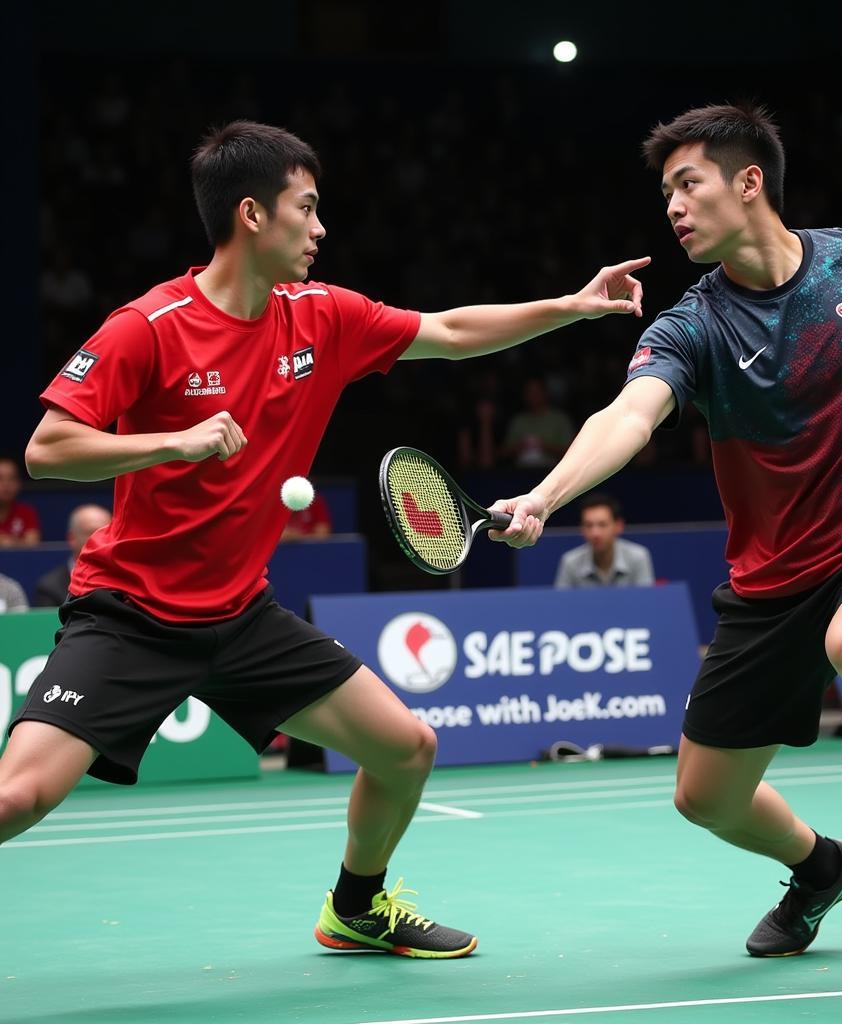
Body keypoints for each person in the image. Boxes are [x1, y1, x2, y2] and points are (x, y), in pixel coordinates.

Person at [4, 120, 649, 959]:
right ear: (251, 215)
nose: (319, 230)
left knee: (406, 748)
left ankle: (356, 907)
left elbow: (449, 332)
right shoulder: (150, 326)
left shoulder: (323, 317)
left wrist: (569, 307)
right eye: (305, 210)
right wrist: (174, 441)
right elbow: (48, 450)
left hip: (240, 617)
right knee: (19, 798)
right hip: (129, 615)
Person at [489, 103, 842, 996]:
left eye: (688, 184)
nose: (673, 207)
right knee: (706, 797)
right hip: (772, 579)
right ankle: (822, 868)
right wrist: (546, 495)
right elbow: (631, 413)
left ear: (750, 183)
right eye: (665, 193)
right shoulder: (691, 325)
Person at [554, 492, 655, 588]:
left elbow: (645, 603)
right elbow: (561, 605)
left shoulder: (638, 558)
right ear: (582, 529)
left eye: (602, 525)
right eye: (589, 525)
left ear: (618, 526)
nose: (595, 533)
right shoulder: (570, 563)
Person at [33, 504, 112, 607]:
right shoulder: (50, 588)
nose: (100, 540)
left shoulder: (127, 582)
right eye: (91, 532)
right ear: (72, 538)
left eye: (106, 533)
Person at [500, 377, 574, 468]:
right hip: (520, 471)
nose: (533, 395)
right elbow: (503, 453)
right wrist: (519, 446)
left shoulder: (560, 419)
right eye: (529, 392)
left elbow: (572, 453)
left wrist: (544, 446)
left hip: (551, 471)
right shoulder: (518, 420)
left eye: (536, 391)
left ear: (545, 393)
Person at [0, 457, 41, 547]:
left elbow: (32, 544)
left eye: (11, 479)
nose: (6, 484)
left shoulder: (26, 512)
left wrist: (7, 542)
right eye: (0, 479)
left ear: (19, 483)